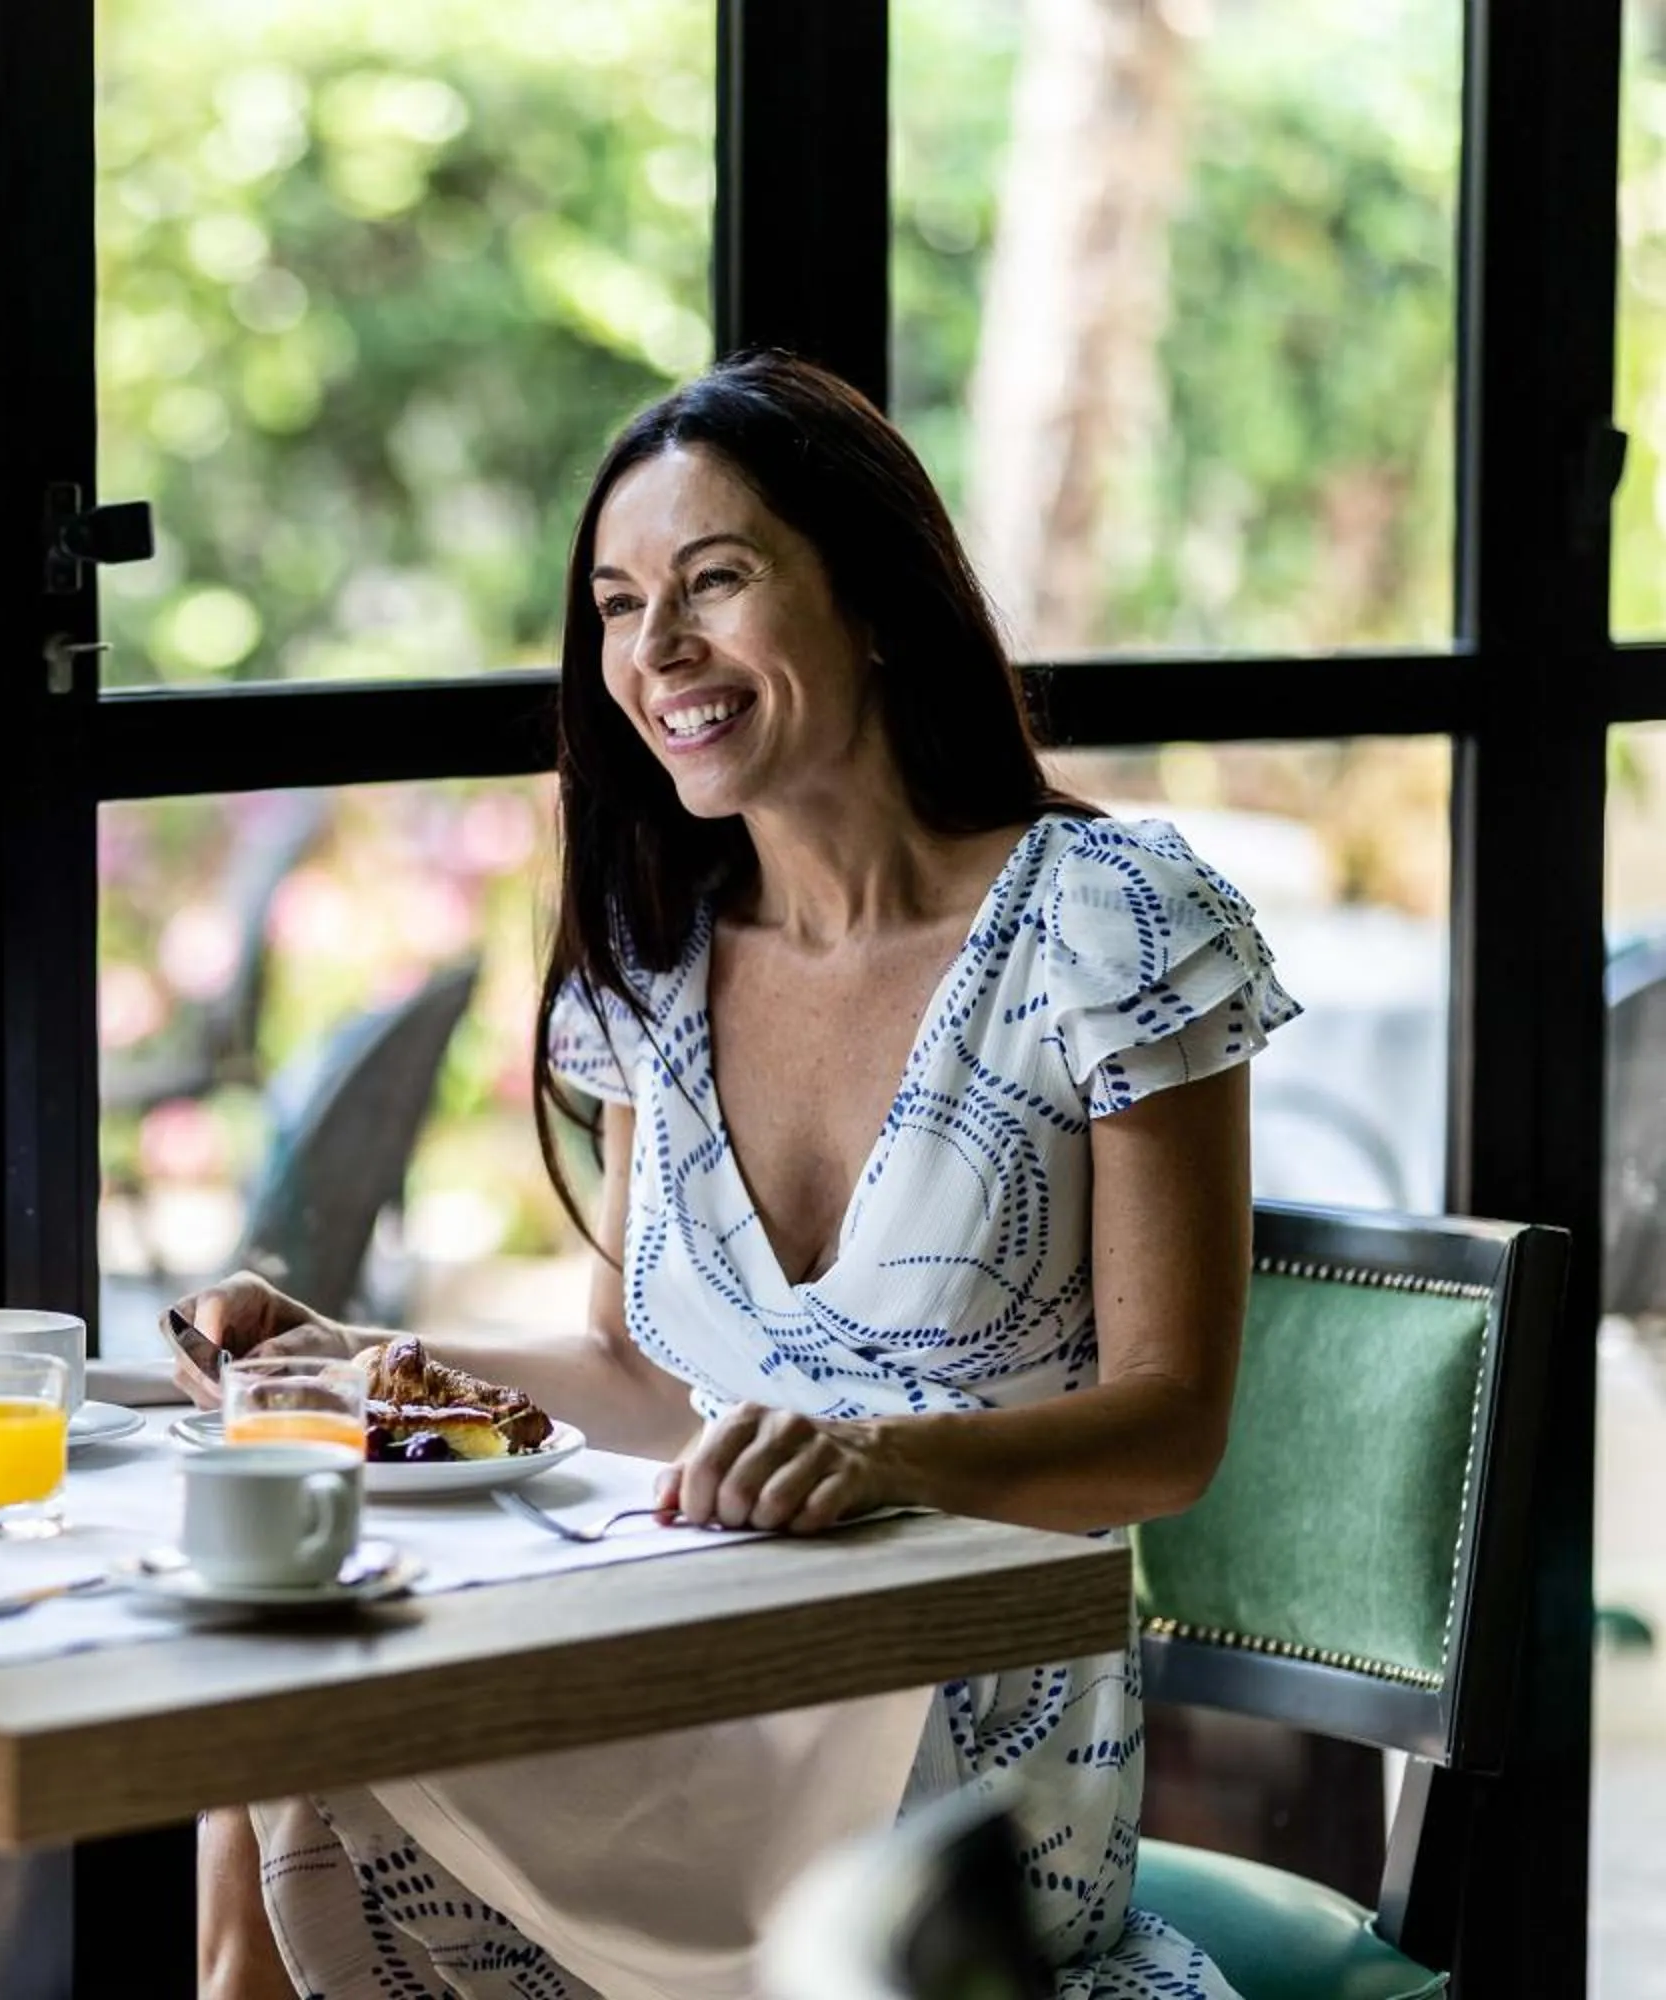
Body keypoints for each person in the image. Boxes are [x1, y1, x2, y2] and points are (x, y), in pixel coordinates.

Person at [174, 352, 1282, 2000]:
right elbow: (634, 1370)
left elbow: (1173, 1427)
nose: (658, 652)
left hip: (968, 1746)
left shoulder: (1106, 921)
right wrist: (365, 1365)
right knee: (281, 1743)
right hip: (703, 1670)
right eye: (621, 605)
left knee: (300, 1763)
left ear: (880, 599)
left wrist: (877, 1455)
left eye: (716, 581)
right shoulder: (656, 955)